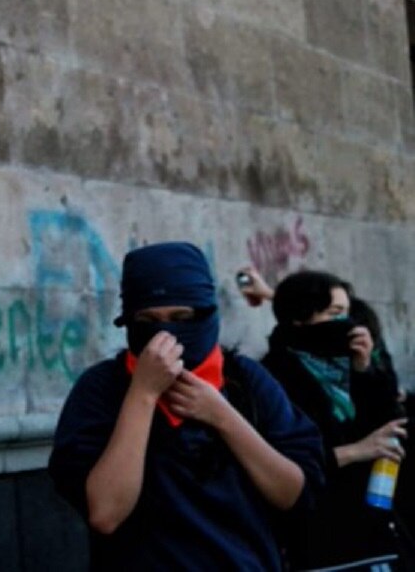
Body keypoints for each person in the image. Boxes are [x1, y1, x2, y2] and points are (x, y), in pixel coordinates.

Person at [49, 242, 323, 570]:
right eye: (148, 320)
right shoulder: (103, 389)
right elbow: (105, 514)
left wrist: (221, 415)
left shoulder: (247, 381)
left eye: (182, 318)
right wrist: (143, 395)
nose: (166, 334)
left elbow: (293, 494)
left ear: (206, 313)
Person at [262, 270, 407, 570]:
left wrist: (365, 369)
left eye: (348, 313)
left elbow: (388, 424)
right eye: (335, 313)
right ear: (300, 318)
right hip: (318, 534)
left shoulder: (344, 367)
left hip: (371, 524)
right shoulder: (272, 377)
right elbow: (279, 461)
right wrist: (356, 451)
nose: (348, 324)